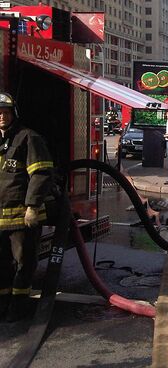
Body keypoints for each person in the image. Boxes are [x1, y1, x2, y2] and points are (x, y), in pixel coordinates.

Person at [0, 92, 54, 321]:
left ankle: (19, 307)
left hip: (23, 217)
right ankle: (3, 305)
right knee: (2, 264)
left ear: (14, 114)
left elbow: (41, 174)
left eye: (6, 112)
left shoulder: (28, 138)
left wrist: (33, 206)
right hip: (1, 218)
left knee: (23, 262)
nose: (2, 116)